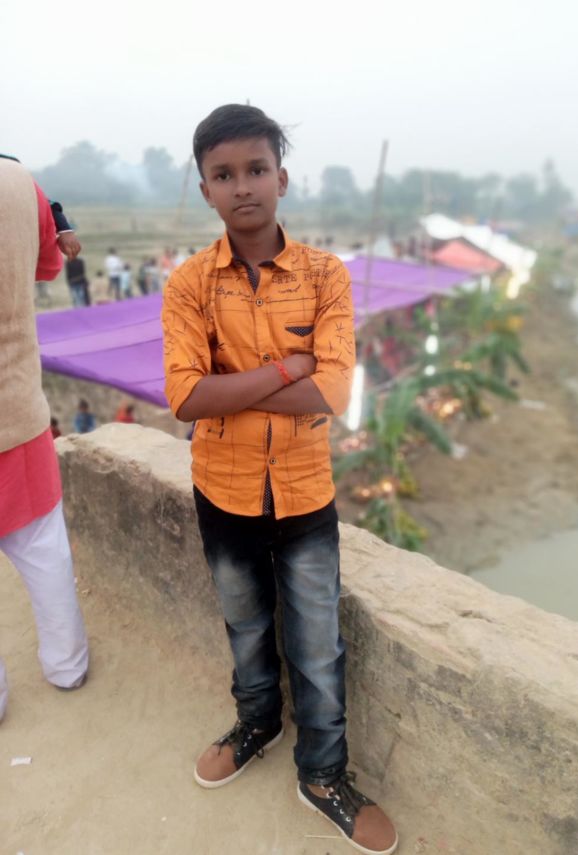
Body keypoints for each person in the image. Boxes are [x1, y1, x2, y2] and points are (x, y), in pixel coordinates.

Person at [162, 104, 397, 855]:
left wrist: (238, 385)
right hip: (222, 488)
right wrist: (285, 370)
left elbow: (334, 391)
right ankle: (257, 722)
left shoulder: (326, 276)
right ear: (205, 189)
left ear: (282, 178)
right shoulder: (189, 285)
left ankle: (322, 773)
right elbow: (186, 398)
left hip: (303, 491)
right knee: (245, 622)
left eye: (256, 169)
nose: (242, 186)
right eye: (223, 174)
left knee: (319, 642)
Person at [0, 158, 89, 721]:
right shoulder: (18, 182)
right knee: (45, 555)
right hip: (17, 414)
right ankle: (67, 666)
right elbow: (49, 264)